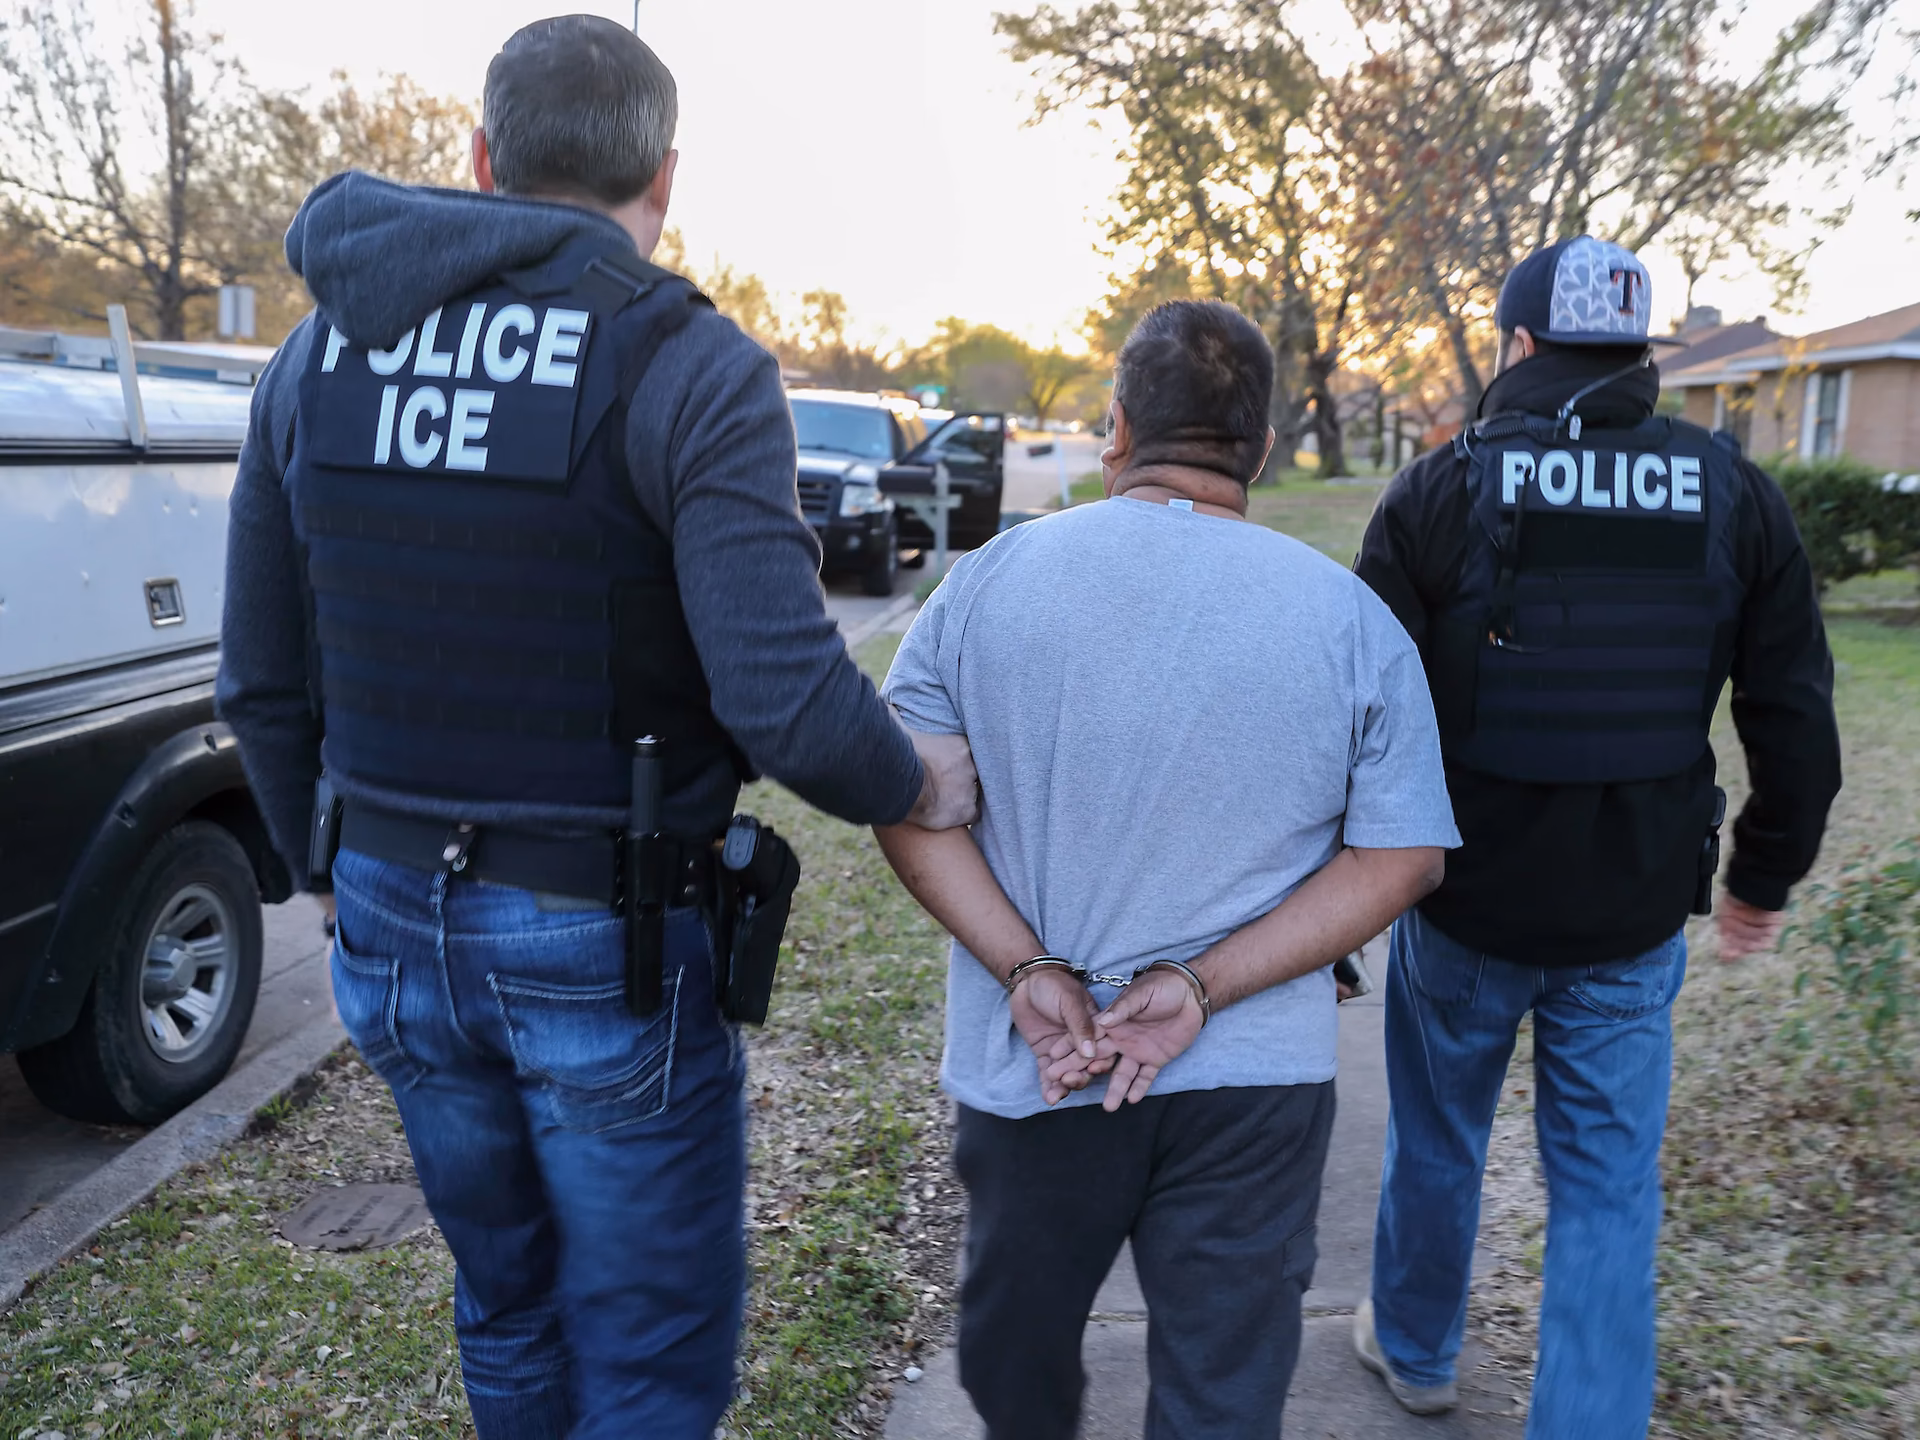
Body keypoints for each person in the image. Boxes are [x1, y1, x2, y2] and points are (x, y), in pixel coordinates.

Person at [215, 16, 978, 1438]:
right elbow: (784, 698)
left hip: (387, 915)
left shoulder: (318, 355)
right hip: (600, 937)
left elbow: (259, 677)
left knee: (509, 1305)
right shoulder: (688, 362)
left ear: (482, 158)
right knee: (647, 1353)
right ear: (664, 174)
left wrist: (329, 871)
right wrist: (918, 782)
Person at [875, 300, 1461, 1440]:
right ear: (1262, 447)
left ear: (1117, 428)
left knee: (1015, 1368)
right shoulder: (1350, 620)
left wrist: (1025, 967)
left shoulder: (986, 584)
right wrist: (1200, 986)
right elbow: (1405, 860)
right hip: (1255, 1080)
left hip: (1043, 1064)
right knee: (1223, 1393)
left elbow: (908, 802)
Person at [1351, 236, 1843, 1436]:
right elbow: (1794, 714)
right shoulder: (1734, 493)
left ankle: (1415, 1351)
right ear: (1637, 350)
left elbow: (1356, 712)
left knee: (1438, 1142)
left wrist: (1339, 888)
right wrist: (1764, 876)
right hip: (1630, 916)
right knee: (1608, 1191)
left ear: (1520, 344)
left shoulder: (1439, 488)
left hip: (1460, 903)